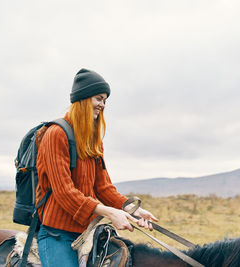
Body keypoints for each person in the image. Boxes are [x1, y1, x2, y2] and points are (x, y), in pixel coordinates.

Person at [35, 68, 158, 267]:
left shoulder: (94, 141)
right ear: (83, 99)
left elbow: (103, 188)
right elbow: (65, 192)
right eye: (98, 98)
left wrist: (132, 209)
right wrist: (109, 213)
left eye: (105, 101)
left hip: (87, 230)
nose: (102, 105)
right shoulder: (56, 134)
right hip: (57, 234)